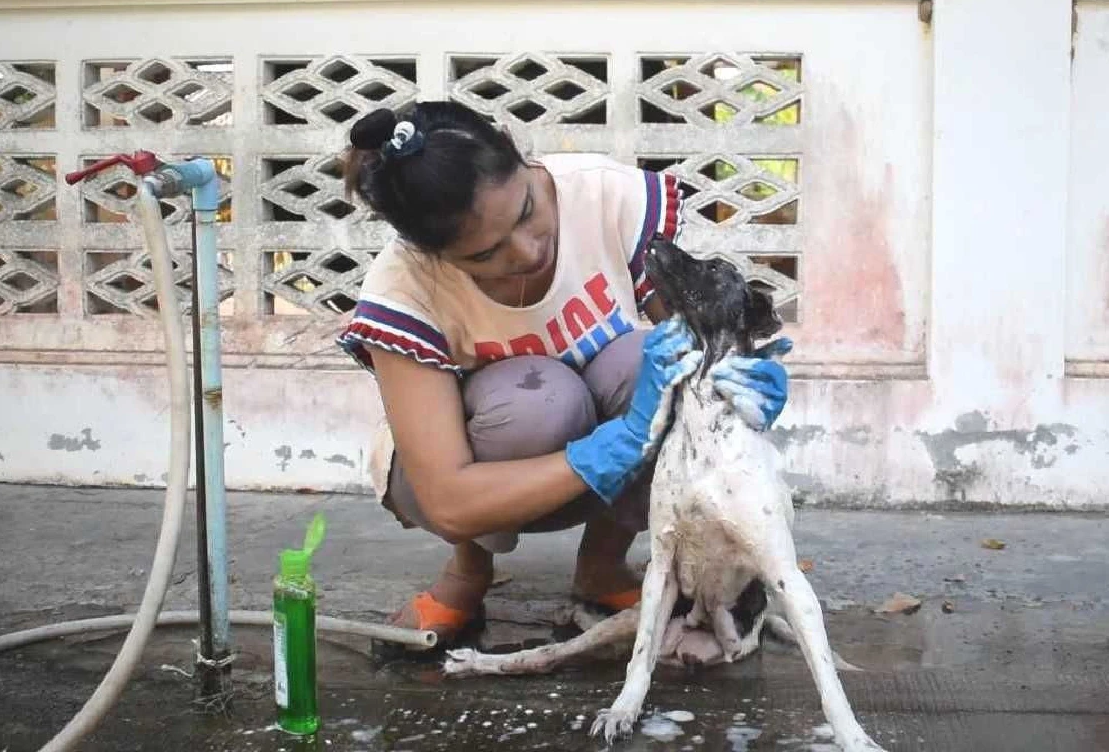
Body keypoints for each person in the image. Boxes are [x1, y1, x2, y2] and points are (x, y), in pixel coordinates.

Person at [337, 101, 791, 645]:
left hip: (593, 458)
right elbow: (447, 499)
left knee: (650, 361)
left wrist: (739, 378)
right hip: (475, 479)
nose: (528, 251)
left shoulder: (602, 196)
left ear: (518, 150)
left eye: (527, 210)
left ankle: (602, 564)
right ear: (432, 255)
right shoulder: (404, 288)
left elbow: (692, 348)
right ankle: (468, 571)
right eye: (486, 254)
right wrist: (616, 445)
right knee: (539, 398)